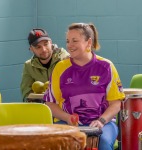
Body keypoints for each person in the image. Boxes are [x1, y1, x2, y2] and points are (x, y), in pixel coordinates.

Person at [43, 22, 125, 150]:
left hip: (104, 124)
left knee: (102, 142)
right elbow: (50, 104)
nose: (70, 45)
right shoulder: (60, 68)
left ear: (88, 42)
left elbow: (116, 103)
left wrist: (101, 121)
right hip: (67, 122)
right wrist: (68, 118)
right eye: (68, 41)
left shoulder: (106, 67)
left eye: (75, 41)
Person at [20, 28, 69, 101]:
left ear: (51, 42)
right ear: (31, 49)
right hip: (42, 109)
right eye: (38, 47)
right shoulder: (29, 66)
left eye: (46, 44)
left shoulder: (66, 59)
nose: (44, 49)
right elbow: (26, 94)